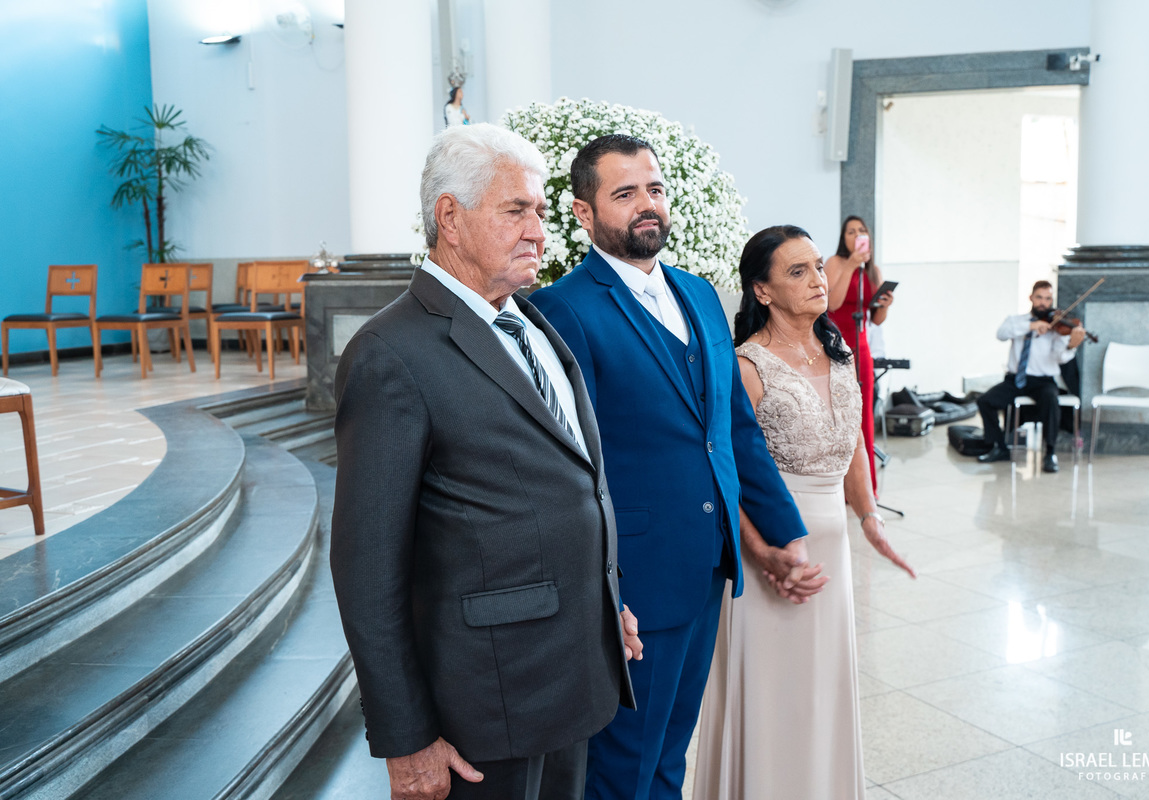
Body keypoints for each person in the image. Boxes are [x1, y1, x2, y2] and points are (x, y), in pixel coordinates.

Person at [330, 123, 641, 800]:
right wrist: (405, 736)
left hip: (572, 677)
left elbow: (568, 486)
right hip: (485, 707)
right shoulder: (391, 354)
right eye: (516, 211)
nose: (540, 231)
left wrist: (603, 602)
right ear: (450, 216)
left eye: (541, 211)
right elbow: (366, 566)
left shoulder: (531, 322)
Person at [529, 135, 823, 800]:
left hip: (705, 566)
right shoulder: (563, 310)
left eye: (654, 189)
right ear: (582, 212)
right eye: (625, 193)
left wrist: (784, 530)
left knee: (669, 755)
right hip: (632, 575)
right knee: (623, 766)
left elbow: (733, 429)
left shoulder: (698, 294)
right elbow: (574, 466)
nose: (647, 204)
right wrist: (603, 588)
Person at [694, 224, 917, 800]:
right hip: (769, 554)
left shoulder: (839, 353)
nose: (819, 279)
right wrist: (760, 551)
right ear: (761, 291)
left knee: (823, 691)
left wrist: (869, 519)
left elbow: (852, 448)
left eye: (818, 266)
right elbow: (725, 476)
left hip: (832, 552)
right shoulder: (746, 366)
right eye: (798, 271)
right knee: (774, 696)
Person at [976, 280, 1087, 473]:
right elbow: (1001, 334)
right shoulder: (1016, 321)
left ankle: (1050, 453)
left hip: (1043, 381)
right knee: (985, 401)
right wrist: (1032, 326)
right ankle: (999, 447)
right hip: (1015, 380)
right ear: (1031, 298)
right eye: (1040, 297)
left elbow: (1059, 358)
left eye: (1048, 298)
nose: (1043, 302)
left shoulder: (1057, 328)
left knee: (1052, 400)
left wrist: (1071, 346)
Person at [824, 215, 892, 495]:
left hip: (862, 344)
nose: (856, 235)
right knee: (840, 415)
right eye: (850, 231)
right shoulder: (835, 263)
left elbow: (876, 319)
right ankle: (840, 487)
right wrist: (852, 264)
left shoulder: (872, 270)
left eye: (861, 231)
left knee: (865, 414)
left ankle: (865, 490)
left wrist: (886, 305)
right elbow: (832, 303)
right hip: (836, 342)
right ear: (844, 238)